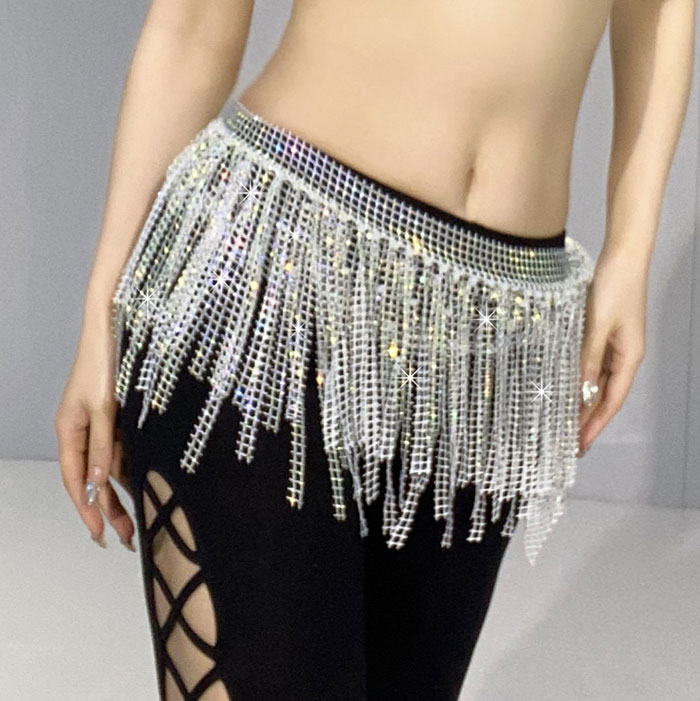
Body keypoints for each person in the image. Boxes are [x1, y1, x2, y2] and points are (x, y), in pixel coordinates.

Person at [54, 1, 694, 699]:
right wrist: (101, 315)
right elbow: (192, 26)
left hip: (491, 343)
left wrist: (631, 252)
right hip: (270, 288)